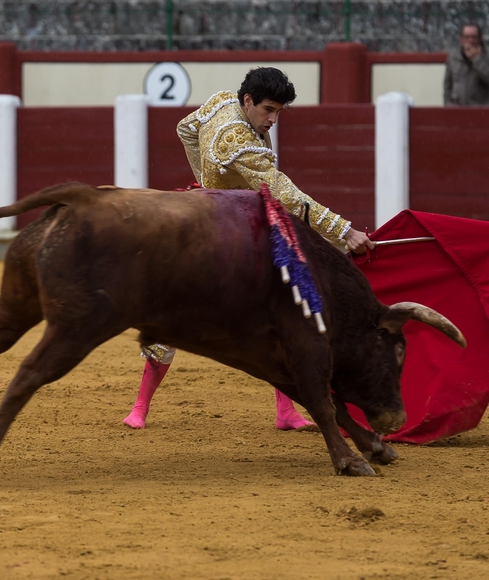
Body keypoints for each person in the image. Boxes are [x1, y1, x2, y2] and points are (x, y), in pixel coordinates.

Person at [122, 67, 375, 431]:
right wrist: (344, 231)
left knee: (275, 307)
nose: (272, 120)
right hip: (231, 237)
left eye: (278, 112)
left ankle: (143, 409)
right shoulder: (236, 140)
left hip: (226, 224)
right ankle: (141, 407)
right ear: (248, 101)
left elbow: (185, 130)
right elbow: (285, 194)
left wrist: (206, 188)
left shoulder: (221, 100)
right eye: (268, 110)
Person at [443, 23, 489, 105]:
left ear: (480, 38)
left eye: (474, 37)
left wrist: (476, 59)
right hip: (456, 109)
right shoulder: (453, 56)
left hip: (480, 110)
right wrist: (448, 105)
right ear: (461, 39)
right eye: (466, 37)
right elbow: (447, 85)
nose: (470, 41)